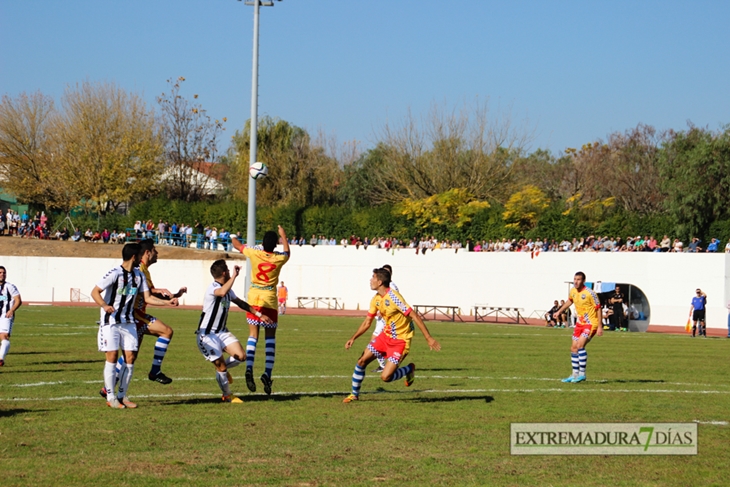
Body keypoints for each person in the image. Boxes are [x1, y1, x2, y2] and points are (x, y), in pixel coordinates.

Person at [90, 243, 180, 409]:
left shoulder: (139, 275)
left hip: (129, 321)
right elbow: (95, 291)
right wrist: (104, 305)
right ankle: (110, 397)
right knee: (112, 357)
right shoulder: (115, 273)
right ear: (134, 257)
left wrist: (168, 302)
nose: (141, 258)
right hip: (112, 321)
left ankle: (122, 396)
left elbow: (148, 298)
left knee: (130, 358)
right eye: (139, 255)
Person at [342, 267, 441, 403]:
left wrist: (428, 338)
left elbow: (414, 315)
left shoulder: (394, 297)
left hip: (400, 341)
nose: (370, 280)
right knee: (361, 361)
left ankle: (408, 369)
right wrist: (353, 338)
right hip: (385, 336)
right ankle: (354, 394)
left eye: (373, 278)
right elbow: (367, 322)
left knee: (386, 377)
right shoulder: (376, 299)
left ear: (380, 282)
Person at [197, 260, 272, 403]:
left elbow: (241, 303)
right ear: (224, 273)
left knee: (241, 356)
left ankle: (222, 370)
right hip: (207, 335)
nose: (230, 272)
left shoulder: (228, 291)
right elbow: (222, 292)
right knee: (222, 366)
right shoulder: (213, 287)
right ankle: (227, 395)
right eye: (228, 270)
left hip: (222, 332)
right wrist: (235, 277)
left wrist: (259, 315)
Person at [230, 225, 290, 395]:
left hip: (254, 298)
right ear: (274, 246)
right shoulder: (278, 258)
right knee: (270, 339)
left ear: (262, 244)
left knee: (253, 336)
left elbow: (236, 244)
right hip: (269, 300)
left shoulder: (254, 253)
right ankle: (267, 373)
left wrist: (233, 235)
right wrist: (283, 235)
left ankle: (249, 368)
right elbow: (287, 253)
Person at [552, 272, 607, 383]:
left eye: (578, 279)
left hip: (591, 323)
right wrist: (559, 311)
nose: (576, 281)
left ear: (583, 281)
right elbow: (569, 301)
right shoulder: (573, 291)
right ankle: (574, 374)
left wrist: (600, 326)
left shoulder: (590, 293)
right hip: (579, 323)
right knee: (573, 348)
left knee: (580, 345)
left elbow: (598, 308)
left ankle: (582, 374)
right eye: (575, 279)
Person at [370, 265, 399, 372]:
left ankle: (385, 365)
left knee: (375, 339)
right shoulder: (381, 289)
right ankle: (384, 364)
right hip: (382, 318)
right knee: (377, 340)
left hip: (388, 319)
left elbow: (394, 302)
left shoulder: (392, 286)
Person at [0, 266, 22, 367]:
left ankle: (0, 358)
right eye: (0, 273)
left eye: (4, 273)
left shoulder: (10, 286)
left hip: (6, 316)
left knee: (4, 337)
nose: (2, 274)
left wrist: (12, 310)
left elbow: (18, 300)